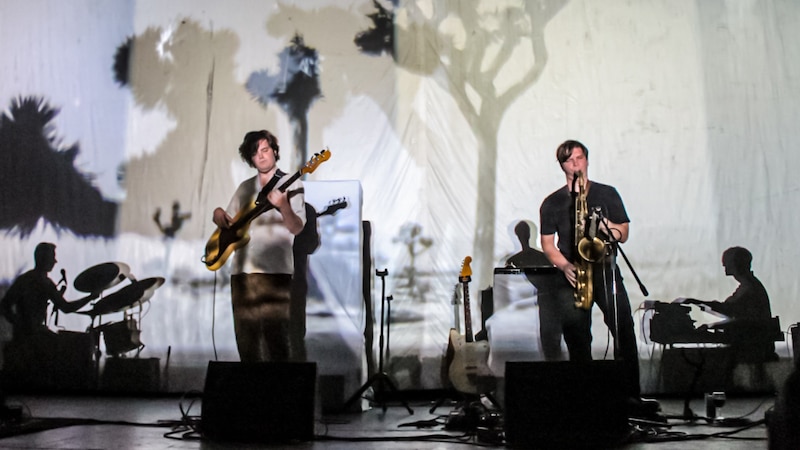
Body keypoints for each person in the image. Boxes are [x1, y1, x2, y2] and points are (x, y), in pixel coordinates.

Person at [539, 140, 650, 408]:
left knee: (623, 329)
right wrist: (564, 266)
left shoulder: (606, 193)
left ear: (587, 160)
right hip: (573, 274)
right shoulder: (552, 203)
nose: (576, 164)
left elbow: (622, 234)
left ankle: (630, 396)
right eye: (569, 160)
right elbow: (546, 244)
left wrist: (605, 224)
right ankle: (584, 398)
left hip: (606, 270)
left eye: (579, 158)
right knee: (577, 336)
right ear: (562, 165)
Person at [212, 130, 306, 362]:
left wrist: (283, 206)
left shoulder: (290, 183)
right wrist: (218, 215)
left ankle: (278, 397)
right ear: (250, 159)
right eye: (255, 153)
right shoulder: (245, 187)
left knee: (277, 340)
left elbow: (297, 228)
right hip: (242, 272)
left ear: (274, 151)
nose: (262, 156)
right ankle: (253, 394)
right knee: (246, 340)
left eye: (265, 150)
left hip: (275, 272)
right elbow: (230, 222)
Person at [679, 247, 777, 382]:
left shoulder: (749, 288)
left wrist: (699, 305)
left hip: (752, 343)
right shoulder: (749, 285)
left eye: (727, 262)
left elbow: (729, 309)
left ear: (736, 264)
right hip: (753, 340)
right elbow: (730, 310)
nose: (724, 265)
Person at [1, 242, 97, 340]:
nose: (55, 261)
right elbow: (66, 308)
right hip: (32, 338)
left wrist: (18, 323)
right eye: (52, 257)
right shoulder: (45, 283)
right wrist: (90, 298)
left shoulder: (24, 279)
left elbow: (5, 305)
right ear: (43, 259)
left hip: (24, 335)